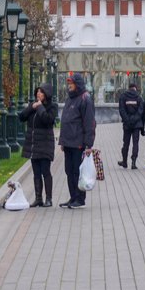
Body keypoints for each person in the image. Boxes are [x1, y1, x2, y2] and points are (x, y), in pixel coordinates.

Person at [57, 71, 95, 208]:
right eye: (68, 83)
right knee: (69, 171)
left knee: (77, 171)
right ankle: (73, 197)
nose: (69, 86)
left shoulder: (85, 99)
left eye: (71, 83)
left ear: (77, 84)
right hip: (68, 143)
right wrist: (62, 141)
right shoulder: (70, 98)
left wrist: (88, 144)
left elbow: (89, 122)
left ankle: (80, 198)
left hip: (78, 143)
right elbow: (65, 120)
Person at [19, 83, 57, 207]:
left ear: (47, 94)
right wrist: (32, 107)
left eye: (41, 92)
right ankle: (38, 198)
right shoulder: (33, 105)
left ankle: (49, 199)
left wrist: (40, 108)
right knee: (36, 172)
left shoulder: (52, 107)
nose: (38, 94)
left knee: (45, 171)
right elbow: (21, 117)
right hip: (34, 144)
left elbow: (48, 120)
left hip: (45, 144)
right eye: (38, 92)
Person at [116, 81, 144, 169]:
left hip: (127, 124)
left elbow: (121, 110)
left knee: (126, 143)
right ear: (135, 88)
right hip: (136, 124)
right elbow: (141, 111)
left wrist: (127, 120)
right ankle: (133, 162)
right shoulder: (139, 97)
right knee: (135, 143)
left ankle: (124, 162)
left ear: (129, 88)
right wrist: (135, 119)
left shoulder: (123, 96)